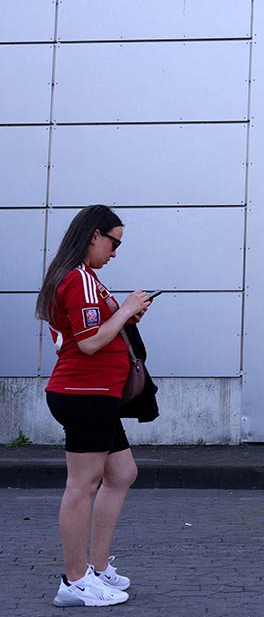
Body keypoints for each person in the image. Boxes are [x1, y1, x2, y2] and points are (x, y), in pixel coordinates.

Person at [36, 205, 152, 607]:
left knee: (122, 473)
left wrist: (125, 317)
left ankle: (97, 569)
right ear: (93, 236)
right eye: (113, 243)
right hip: (84, 394)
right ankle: (74, 581)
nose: (115, 253)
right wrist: (123, 310)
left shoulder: (86, 280)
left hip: (95, 393)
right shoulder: (81, 281)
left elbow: (95, 332)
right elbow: (88, 344)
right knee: (81, 485)